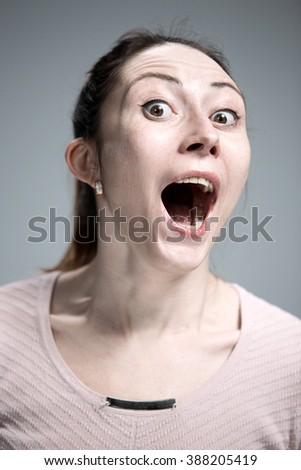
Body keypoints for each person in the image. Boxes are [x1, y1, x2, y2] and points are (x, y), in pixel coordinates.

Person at [1, 29, 300, 451]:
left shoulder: (292, 366)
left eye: (224, 116)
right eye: (157, 108)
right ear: (89, 162)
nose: (206, 134)